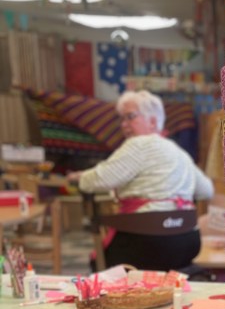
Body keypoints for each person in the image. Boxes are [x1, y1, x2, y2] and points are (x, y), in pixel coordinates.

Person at [67, 90, 214, 270]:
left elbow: (100, 179)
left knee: (102, 260)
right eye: (121, 119)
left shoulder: (139, 144)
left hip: (147, 243)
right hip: (187, 242)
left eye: (130, 117)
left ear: (152, 121)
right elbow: (207, 190)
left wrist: (80, 178)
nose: (123, 124)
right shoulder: (178, 152)